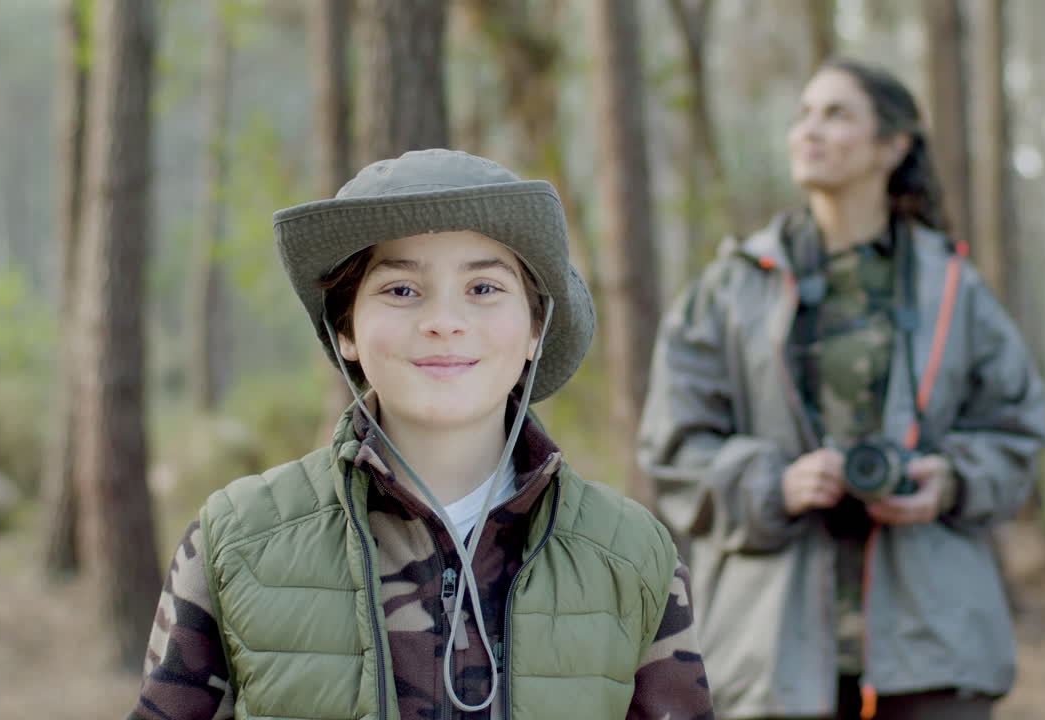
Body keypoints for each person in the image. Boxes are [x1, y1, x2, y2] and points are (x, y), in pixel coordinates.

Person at [128, 149, 713, 720]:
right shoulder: (236, 544)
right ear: (345, 328)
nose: (444, 321)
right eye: (401, 290)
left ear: (536, 328)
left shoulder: (635, 558)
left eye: (484, 288)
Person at [638, 58, 1045, 720]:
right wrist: (776, 483)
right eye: (804, 113)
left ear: (894, 145)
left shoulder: (953, 287)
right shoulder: (731, 286)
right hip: (771, 647)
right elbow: (671, 447)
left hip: (934, 645)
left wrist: (952, 480)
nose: (810, 129)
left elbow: (1017, 428)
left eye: (836, 114)